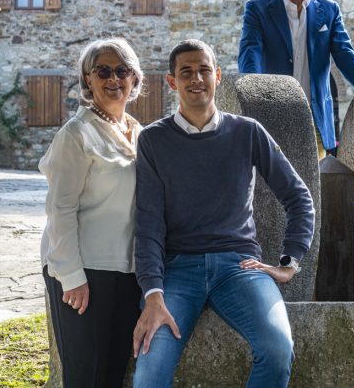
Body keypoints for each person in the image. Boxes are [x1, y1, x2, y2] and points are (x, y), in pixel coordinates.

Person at [132, 39, 315, 388]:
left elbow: (298, 197)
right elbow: (148, 224)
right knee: (149, 375)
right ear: (172, 82)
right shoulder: (154, 140)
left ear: (216, 75)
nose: (196, 78)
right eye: (186, 72)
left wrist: (290, 261)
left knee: (278, 350)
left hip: (239, 268)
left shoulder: (247, 131)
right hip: (177, 271)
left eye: (204, 70)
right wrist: (153, 294)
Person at [40, 38, 144, 387]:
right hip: (83, 272)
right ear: (88, 79)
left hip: (125, 272)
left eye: (122, 70)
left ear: (134, 78)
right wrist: (71, 276)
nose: (113, 79)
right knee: (85, 376)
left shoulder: (137, 132)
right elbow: (60, 208)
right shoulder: (76, 134)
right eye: (103, 71)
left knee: (113, 374)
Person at [238, 0, 354, 157]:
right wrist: (253, 89)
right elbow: (250, 52)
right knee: (270, 184)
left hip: (315, 118)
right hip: (272, 114)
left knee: (313, 185)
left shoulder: (330, 10)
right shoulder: (257, 9)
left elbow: (345, 55)